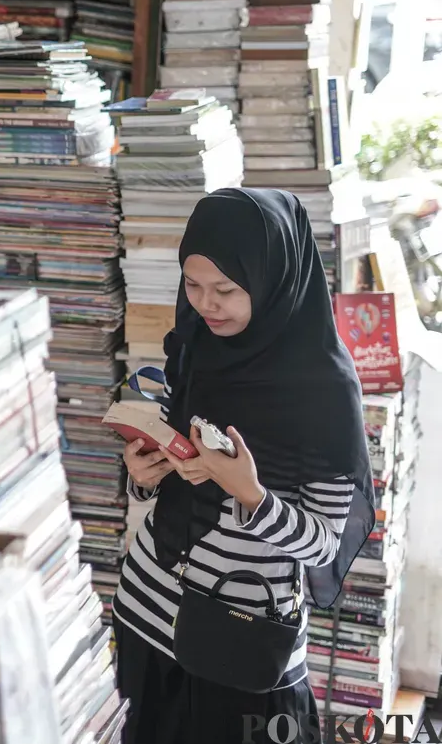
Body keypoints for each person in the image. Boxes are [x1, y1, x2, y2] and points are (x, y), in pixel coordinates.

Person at [111, 188, 376, 744]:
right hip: (145, 613)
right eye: (193, 285)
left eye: (227, 290)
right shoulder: (194, 347)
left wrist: (253, 496)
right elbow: (165, 485)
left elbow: (324, 545)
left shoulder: (321, 390)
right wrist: (141, 481)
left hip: (239, 645)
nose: (207, 305)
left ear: (274, 279)